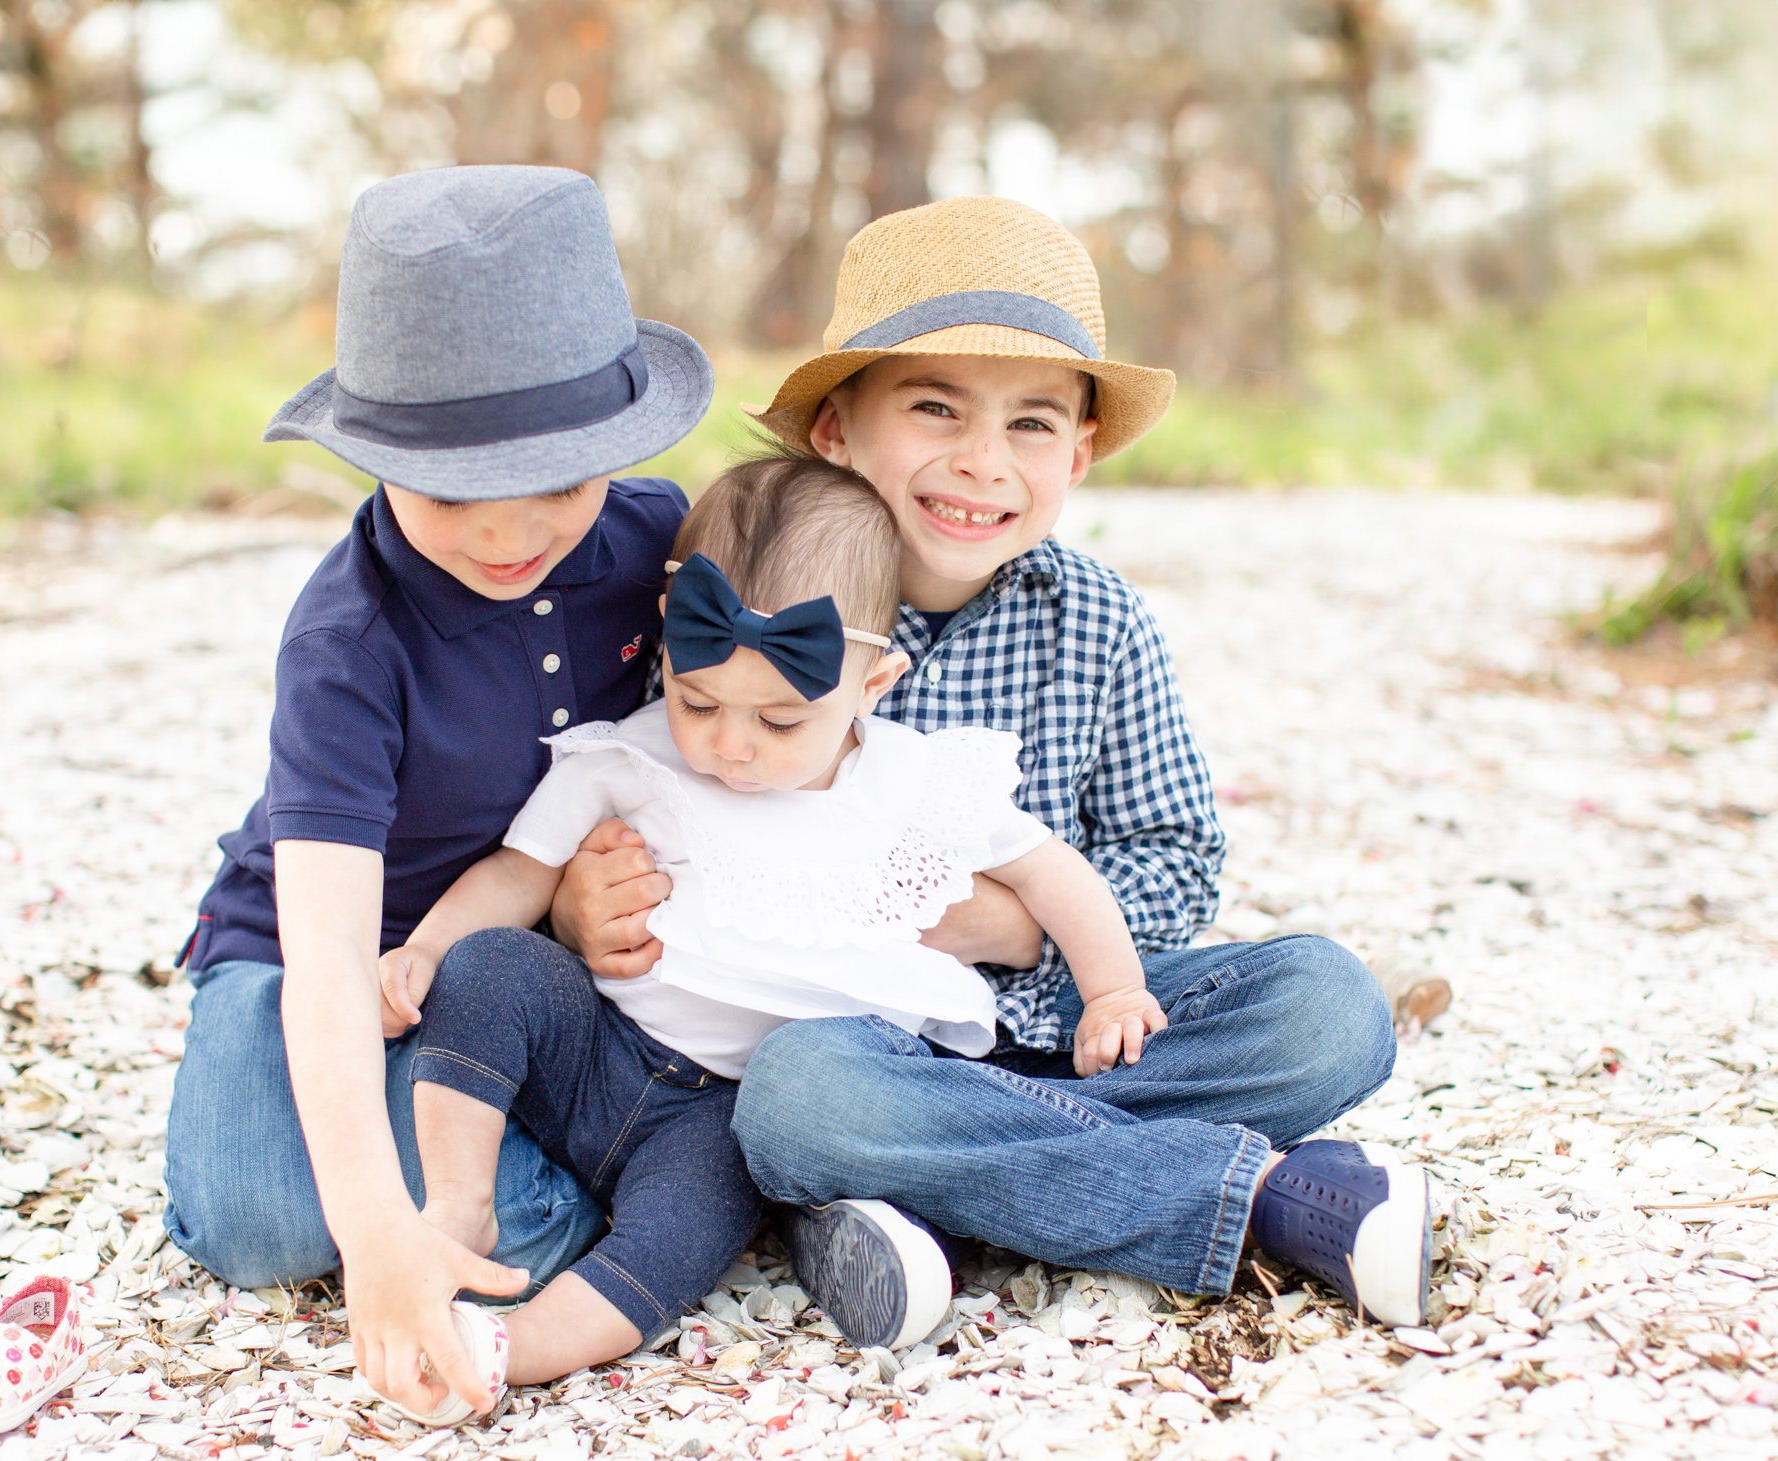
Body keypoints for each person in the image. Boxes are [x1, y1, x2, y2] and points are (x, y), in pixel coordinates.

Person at [551, 195, 1432, 1351]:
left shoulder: (1095, 621)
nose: (981, 461)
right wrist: (578, 902)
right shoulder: (744, 581)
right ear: (834, 429)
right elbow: (639, 783)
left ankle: (930, 1198)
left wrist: (1001, 927)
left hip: (1062, 1017)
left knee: (1329, 1009)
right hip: (828, 1033)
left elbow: (1173, 866)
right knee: (800, 1097)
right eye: (933, 408)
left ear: (1074, 455)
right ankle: (1252, 1195)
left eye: (1029, 425)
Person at [377, 458, 1172, 1419]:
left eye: (781, 718)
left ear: (874, 683)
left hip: (732, 1116)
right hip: (600, 1046)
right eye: (700, 701)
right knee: (493, 964)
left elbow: (1057, 875)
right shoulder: (628, 755)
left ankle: (519, 1345)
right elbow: (518, 874)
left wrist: (1116, 990)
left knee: (689, 1226)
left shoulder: (912, 779)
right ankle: (457, 1205)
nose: (731, 745)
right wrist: (423, 948)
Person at [159, 165, 715, 1415]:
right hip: (316, 946)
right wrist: (375, 1234)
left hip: (519, 963)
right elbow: (327, 956)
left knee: (475, 1216)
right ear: (374, 456)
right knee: (261, 1230)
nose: (511, 534)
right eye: (457, 491)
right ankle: (431, 1153)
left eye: (561, 482)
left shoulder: (654, 543)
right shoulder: (347, 641)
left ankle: (465, 1147)